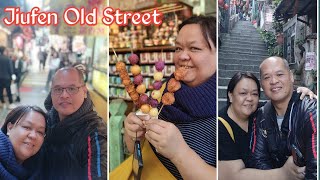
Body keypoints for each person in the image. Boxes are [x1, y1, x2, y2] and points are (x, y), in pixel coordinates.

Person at [124, 15, 216, 179]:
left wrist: (180, 153)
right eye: (178, 48)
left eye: (194, 48)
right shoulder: (162, 90)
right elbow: (136, 150)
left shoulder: (228, 106)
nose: (182, 56)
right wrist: (133, 134)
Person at [218, 72, 315, 180]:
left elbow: (283, 102)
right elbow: (232, 176)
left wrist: (300, 94)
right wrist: (284, 173)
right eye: (243, 93)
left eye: (254, 94)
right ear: (230, 96)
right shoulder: (220, 125)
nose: (249, 98)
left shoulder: (258, 112)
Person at [249, 56, 317, 179]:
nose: (274, 81)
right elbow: (258, 160)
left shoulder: (310, 110)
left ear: (291, 76)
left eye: (279, 74)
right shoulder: (261, 115)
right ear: (262, 85)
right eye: (267, 77)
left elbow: (316, 168)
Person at [41, 67, 107, 179]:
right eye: (58, 89)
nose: (64, 95)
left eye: (71, 89)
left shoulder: (95, 133)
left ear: (85, 92)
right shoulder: (46, 121)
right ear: (51, 93)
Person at [0, 105, 47, 179]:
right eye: (27, 127)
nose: (33, 136)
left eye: (40, 132)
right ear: (10, 128)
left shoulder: (42, 166)